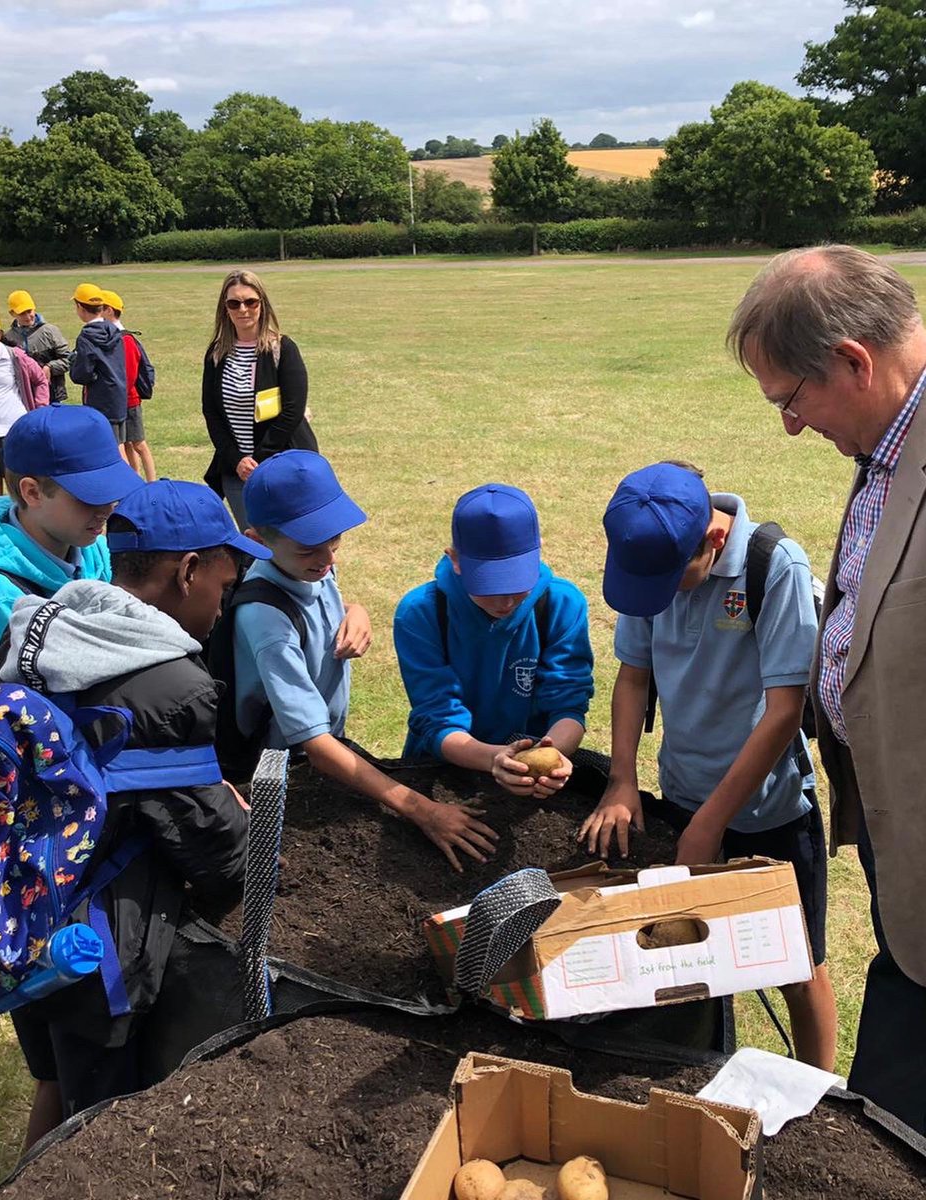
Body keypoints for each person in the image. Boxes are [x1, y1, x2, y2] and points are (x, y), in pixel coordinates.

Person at [727, 244, 926, 1130]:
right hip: (895, 824)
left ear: (852, 361)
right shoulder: (889, 439)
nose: (791, 427)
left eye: (790, 399)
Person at [0, 478, 264, 1133]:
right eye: (222, 589)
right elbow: (217, 853)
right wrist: (252, 835)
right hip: (99, 951)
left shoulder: (43, 630)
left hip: (19, 906)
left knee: (55, 1085)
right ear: (188, 571)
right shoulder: (171, 682)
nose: (222, 608)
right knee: (100, 1129)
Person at [579, 461, 837, 1070]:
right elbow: (633, 676)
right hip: (683, 797)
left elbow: (783, 711)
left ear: (714, 540)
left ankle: (823, 1096)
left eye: (674, 582)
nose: (659, 599)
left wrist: (711, 824)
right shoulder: (652, 562)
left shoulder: (775, 566)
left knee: (798, 966)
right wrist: (621, 779)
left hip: (768, 811)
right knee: (692, 954)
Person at [234, 449, 498, 871]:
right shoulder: (264, 617)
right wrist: (421, 809)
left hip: (323, 749)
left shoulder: (310, 568)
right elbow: (315, 746)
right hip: (280, 773)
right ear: (257, 542)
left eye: (334, 541)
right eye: (310, 549)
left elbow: (317, 596)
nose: (328, 559)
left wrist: (355, 610)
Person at [393, 483, 594, 797]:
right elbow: (437, 715)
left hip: (530, 774)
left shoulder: (563, 604)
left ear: (539, 550)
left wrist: (555, 756)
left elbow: (568, 704)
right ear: (455, 560)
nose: (506, 602)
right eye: (489, 586)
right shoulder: (421, 613)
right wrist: (494, 759)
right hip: (445, 766)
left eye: (518, 584)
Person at [0, 403, 141, 706]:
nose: (108, 508)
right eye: (89, 495)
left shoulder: (95, 550)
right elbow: (22, 716)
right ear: (32, 492)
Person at [201, 269, 316, 531]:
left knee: (294, 540)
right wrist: (238, 459)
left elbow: (293, 410)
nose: (243, 309)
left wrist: (259, 459)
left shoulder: (282, 348)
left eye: (250, 301)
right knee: (253, 543)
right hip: (236, 470)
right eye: (234, 303)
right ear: (225, 309)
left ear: (262, 304)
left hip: (281, 466)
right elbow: (211, 412)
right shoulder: (217, 353)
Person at [0, 307, 50, 501]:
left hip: (12, 430)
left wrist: (39, 411)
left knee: (20, 494)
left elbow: (40, 380)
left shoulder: (15, 357)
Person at [100, 289, 157, 481]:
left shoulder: (124, 339)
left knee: (139, 444)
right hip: (119, 400)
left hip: (129, 400)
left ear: (109, 310)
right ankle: (135, 479)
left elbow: (130, 373)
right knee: (126, 444)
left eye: (100, 309)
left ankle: (151, 482)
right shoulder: (111, 336)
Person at [68, 282, 128, 458]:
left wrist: (74, 362)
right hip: (118, 395)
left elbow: (82, 374)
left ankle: (126, 485)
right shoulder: (114, 330)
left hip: (100, 399)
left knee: (108, 450)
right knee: (119, 445)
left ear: (80, 307)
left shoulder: (86, 336)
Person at [1, 288, 70, 405]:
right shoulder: (8, 338)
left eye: (29, 311)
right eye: (22, 313)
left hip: (52, 395)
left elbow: (69, 359)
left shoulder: (50, 331)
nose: (28, 317)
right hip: (21, 396)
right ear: (12, 313)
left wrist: (50, 367)